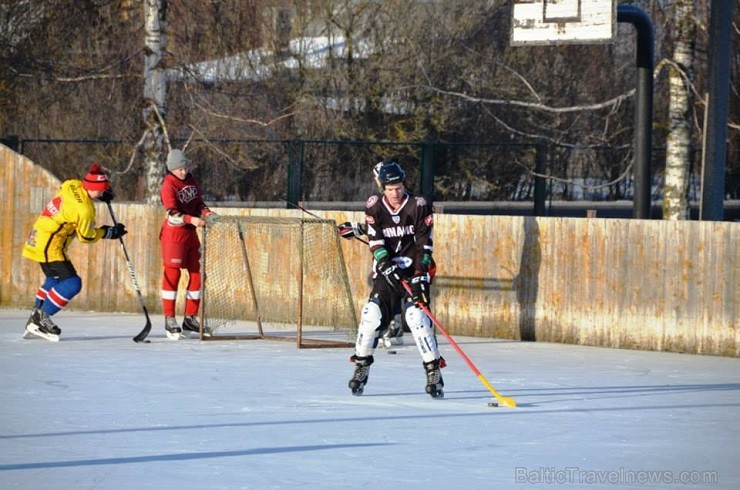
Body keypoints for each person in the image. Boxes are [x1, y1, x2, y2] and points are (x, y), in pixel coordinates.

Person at [340, 158, 445, 398]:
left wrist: (420, 277)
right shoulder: (375, 206)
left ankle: (433, 372)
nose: (395, 193)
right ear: (382, 189)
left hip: (413, 271)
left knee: (417, 318)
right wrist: (386, 265)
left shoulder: (418, 205)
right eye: (390, 189)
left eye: (398, 187)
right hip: (386, 274)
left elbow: (424, 246)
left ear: (404, 184)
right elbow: (376, 241)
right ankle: (361, 367)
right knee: (371, 316)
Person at [22, 163, 126, 341]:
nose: (103, 192)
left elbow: (67, 188)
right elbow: (85, 236)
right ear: (92, 188)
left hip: (38, 236)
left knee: (54, 280)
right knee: (72, 283)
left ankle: (35, 317)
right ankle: (41, 318)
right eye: (102, 190)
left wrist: (98, 194)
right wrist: (108, 232)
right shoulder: (84, 210)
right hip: (50, 244)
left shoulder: (73, 184)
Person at [159, 149, 218, 340]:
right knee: (173, 273)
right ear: (172, 169)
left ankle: (190, 318)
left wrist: (207, 214)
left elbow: (199, 204)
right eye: (179, 169)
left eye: (185, 168)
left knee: (196, 273)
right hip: (174, 235)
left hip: (190, 235)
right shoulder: (168, 185)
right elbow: (172, 214)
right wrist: (191, 220)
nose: (183, 172)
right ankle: (169, 318)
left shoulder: (191, 180)